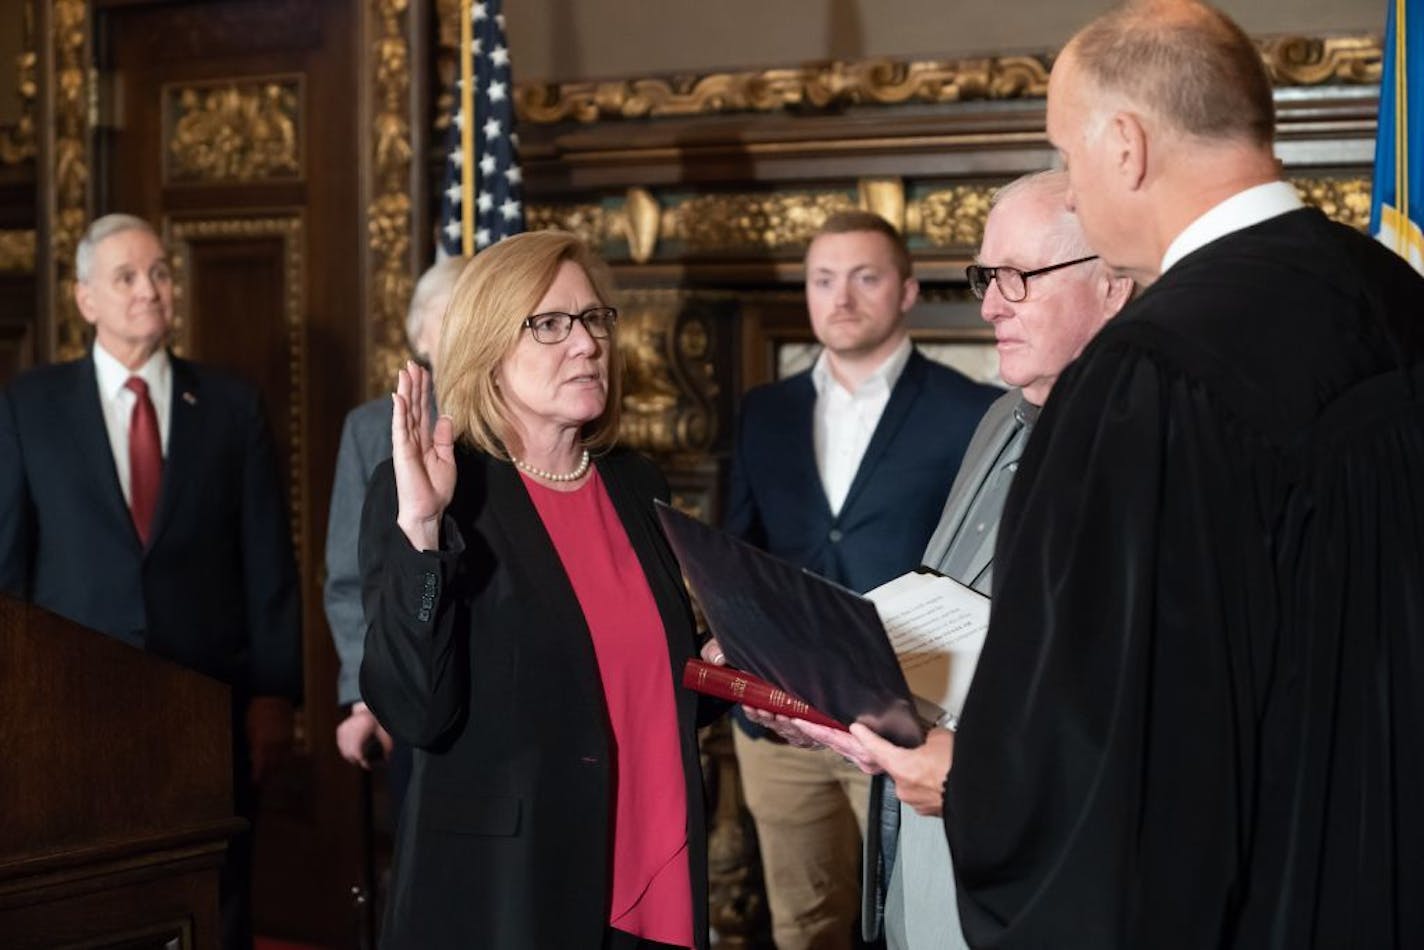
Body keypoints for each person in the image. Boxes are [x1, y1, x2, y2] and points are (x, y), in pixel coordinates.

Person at [828, 2, 1424, 947]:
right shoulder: (1397, 296)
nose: (1073, 182)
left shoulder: (1150, 372)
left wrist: (974, 785)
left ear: (1124, 146)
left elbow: (1116, 739)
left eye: (1066, 154)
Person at [358, 230, 719, 948]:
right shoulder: (441, 489)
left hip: (655, 857)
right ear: (489, 347)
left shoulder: (633, 481)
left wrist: (733, 662)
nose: (585, 344)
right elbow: (414, 711)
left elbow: (643, 686)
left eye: (593, 320)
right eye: (550, 324)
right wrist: (423, 533)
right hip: (509, 893)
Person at [0, 213, 302, 950]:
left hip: (207, 703)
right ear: (85, 300)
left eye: (161, 272)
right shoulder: (28, 406)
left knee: (217, 895)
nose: (150, 290)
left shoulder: (230, 406)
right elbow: (9, 563)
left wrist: (273, 696)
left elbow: (267, 558)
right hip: (67, 708)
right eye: (127, 277)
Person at [859, 170, 1132, 950]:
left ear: (1111, 286)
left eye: (1017, 277)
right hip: (923, 818)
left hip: (1034, 856)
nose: (989, 305)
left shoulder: (1144, 447)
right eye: (986, 276)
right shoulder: (996, 418)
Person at [725, 210, 998, 949]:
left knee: (915, 928)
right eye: (823, 280)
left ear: (907, 292)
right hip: (782, 725)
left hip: (911, 727)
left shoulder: (972, 410)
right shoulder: (765, 412)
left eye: (864, 277)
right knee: (804, 928)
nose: (839, 298)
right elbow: (738, 549)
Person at [325, 257, 464, 817]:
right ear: (421, 333)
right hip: (409, 686)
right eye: (454, 318)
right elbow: (347, 579)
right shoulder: (369, 429)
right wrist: (368, 701)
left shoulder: (515, 423)